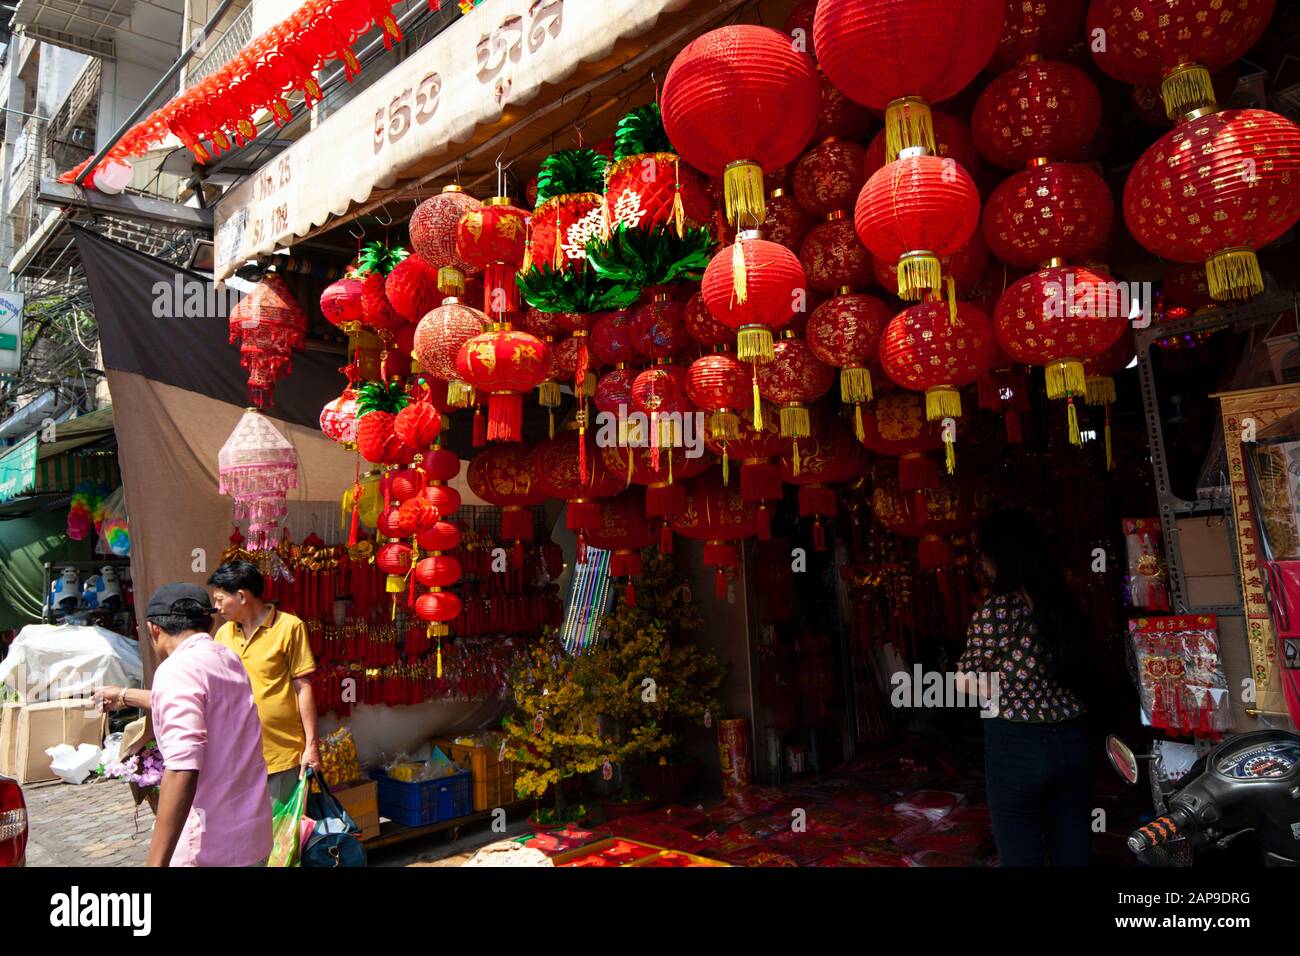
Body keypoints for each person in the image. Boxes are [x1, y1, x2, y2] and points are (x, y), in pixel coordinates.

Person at [955, 509, 1092, 867]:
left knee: (1020, 854)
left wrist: (1007, 685)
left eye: (983, 554)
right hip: (1072, 737)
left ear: (1001, 556)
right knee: (1074, 849)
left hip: (1017, 744)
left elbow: (967, 683)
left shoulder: (997, 610)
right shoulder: (1063, 600)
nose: (981, 562)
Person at [141, 583, 272, 867]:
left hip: (209, 847)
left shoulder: (177, 668)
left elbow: (182, 768)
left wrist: (156, 863)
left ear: (154, 629)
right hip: (252, 836)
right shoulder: (227, 658)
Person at [208, 561, 320, 807]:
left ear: (241, 595)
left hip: (281, 753)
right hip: (236, 755)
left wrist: (312, 746)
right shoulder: (223, 634)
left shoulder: (289, 627)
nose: (215, 607)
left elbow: (303, 687)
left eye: (219, 599)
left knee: (283, 837)